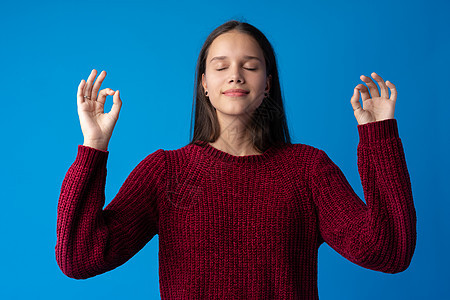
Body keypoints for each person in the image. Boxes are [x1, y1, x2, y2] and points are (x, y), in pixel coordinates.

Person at [55, 20, 417, 299]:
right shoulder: (168, 173)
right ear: (204, 84)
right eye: (221, 65)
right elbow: (80, 258)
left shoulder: (307, 170)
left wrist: (379, 137)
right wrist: (93, 146)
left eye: (250, 66)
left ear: (268, 84)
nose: (235, 75)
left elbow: (389, 251)